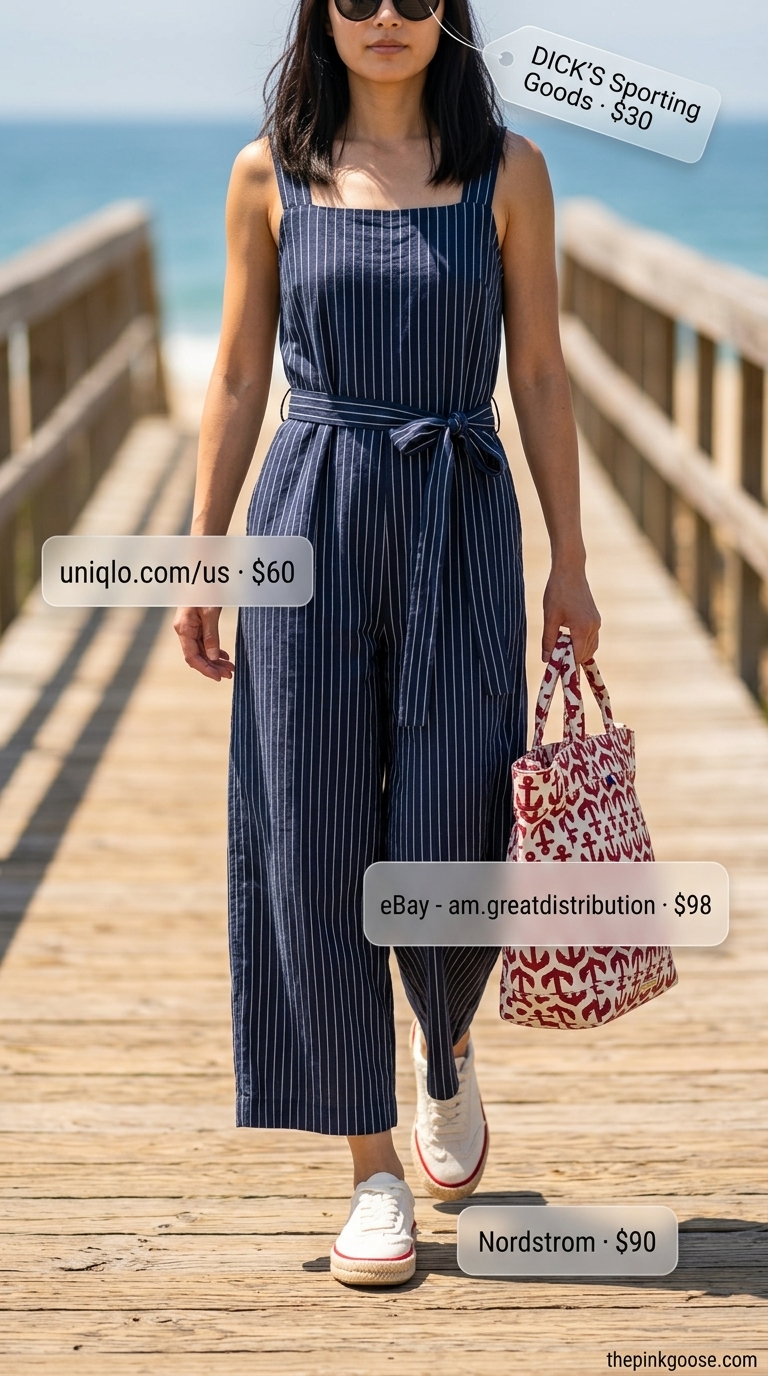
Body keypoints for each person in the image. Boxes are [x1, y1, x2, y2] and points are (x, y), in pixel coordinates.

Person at [173, 0, 600, 1288]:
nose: (387, 18)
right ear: (320, 13)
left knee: (458, 817)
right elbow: (242, 373)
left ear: (450, 12)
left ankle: (446, 1042)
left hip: (463, 511)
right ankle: (370, 1173)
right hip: (308, 516)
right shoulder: (270, 170)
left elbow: (538, 373)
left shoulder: (511, 171)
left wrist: (569, 562)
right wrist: (206, 552)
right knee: (310, 833)